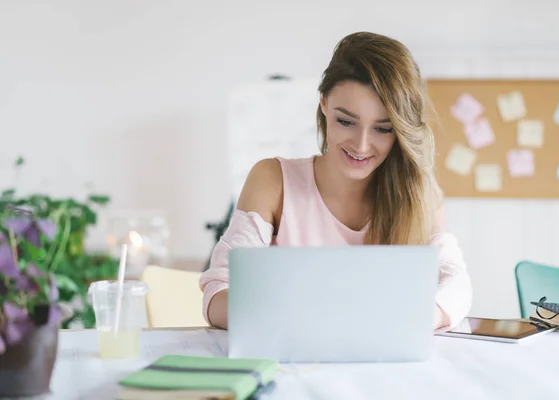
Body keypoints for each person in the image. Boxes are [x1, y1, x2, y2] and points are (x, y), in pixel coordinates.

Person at [200, 31, 472, 331]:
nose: (362, 145)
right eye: (346, 122)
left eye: (383, 129)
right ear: (324, 103)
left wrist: (413, 320)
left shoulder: (419, 192)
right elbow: (218, 291)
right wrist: (293, 317)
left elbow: (456, 282)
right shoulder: (273, 181)